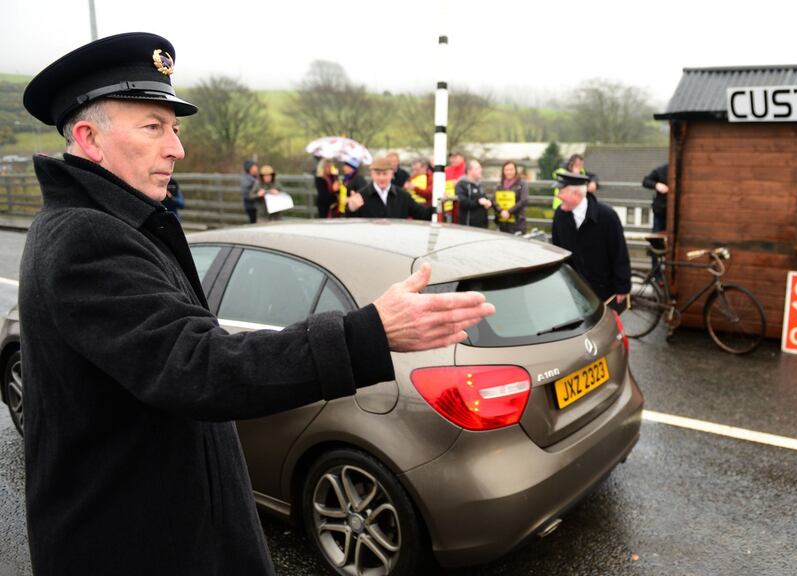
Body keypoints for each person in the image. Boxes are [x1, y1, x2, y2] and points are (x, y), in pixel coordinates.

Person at [19, 32, 494, 576]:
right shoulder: (85, 240)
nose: (176, 147)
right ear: (88, 137)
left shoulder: (113, 223)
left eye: (174, 129)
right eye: (153, 126)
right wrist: (368, 333)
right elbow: (199, 365)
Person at [551, 171, 630, 312]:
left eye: (561, 191)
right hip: (574, 290)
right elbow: (557, 251)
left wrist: (622, 287)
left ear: (575, 194)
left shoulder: (607, 216)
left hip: (603, 290)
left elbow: (619, 253)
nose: (558, 196)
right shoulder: (560, 215)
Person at [345, 156, 433, 220]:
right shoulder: (361, 196)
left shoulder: (403, 196)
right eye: (378, 174)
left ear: (392, 174)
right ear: (371, 174)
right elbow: (350, 223)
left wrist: (438, 207)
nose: (382, 178)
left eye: (385, 173)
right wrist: (351, 209)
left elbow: (422, 214)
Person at [494, 160, 528, 234]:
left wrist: (509, 211)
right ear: (503, 171)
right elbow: (494, 200)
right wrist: (501, 211)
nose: (509, 172)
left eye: (511, 169)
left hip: (517, 222)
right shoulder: (499, 185)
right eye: (506, 170)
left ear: (515, 170)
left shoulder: (522, 183)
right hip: (502, 222)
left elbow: (523, 200)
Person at [456, 159, 491, 228]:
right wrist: (478, 202)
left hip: (482, 225)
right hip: (469, 227)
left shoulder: (480, 185)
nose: (480, 170)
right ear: (469, 170)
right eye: (478, 168)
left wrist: (488, 202)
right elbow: (463, 202)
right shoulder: (462, 184)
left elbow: (484, 198)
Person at [642, 163, 670, 233]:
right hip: (661, 212)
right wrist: (656, 185)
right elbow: (645, 181)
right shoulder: (662, 170)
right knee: (657, 237)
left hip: (677, 214)